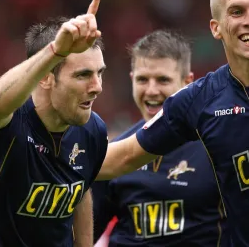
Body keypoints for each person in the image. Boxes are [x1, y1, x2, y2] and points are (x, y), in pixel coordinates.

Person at [97, 0, 249, 246]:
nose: (247, 20)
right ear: (215, 28)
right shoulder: (200, 100)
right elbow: (123, 156)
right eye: (237, 12)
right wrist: (44, 153)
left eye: (163, 80)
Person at [0, 0, 108, 247]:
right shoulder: (6, 121)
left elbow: (80, 189)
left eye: (99, 73)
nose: (97, 86)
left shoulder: (93, 131)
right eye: (82, 75)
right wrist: (56, 51)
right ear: (46, 76)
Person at [93, 30, 229, 246]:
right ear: (132, 80)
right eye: (143, 80)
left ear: (188, 83)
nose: (151, 90)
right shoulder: (115, 153)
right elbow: (84, 234)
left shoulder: (219, 147)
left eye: (163, 80)